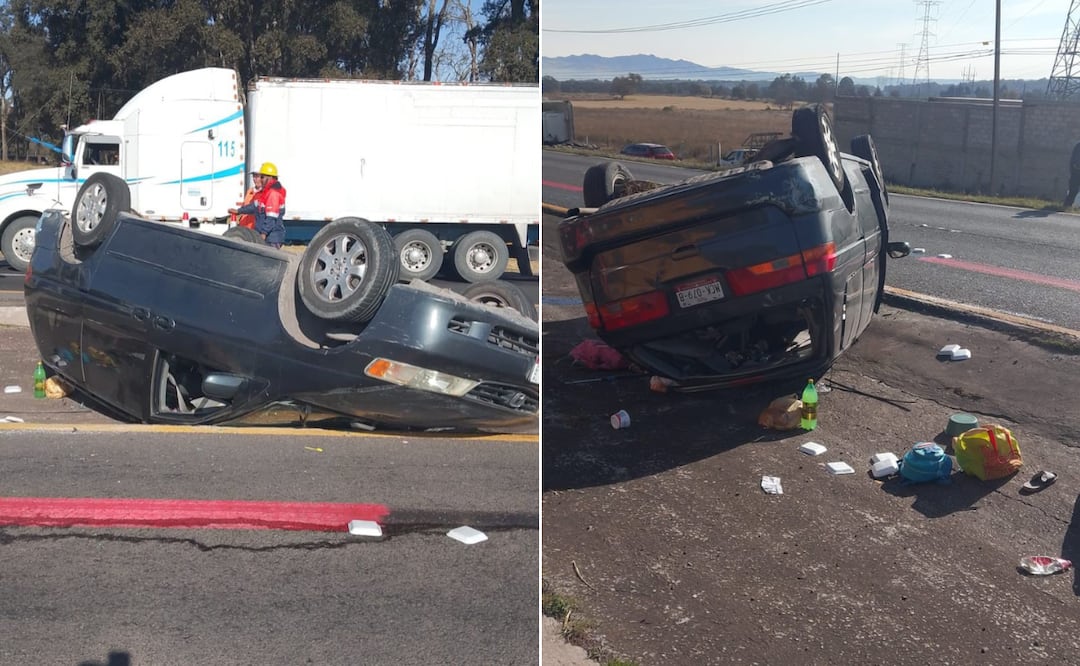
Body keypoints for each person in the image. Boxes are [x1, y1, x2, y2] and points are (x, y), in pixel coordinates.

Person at [228, 162, 286, 247]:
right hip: (267, 236)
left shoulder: (273, 194)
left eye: (262, 177)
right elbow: (254, 206)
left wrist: (263, 233)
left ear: (270, 178)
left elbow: (271, 218)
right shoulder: (266, 193)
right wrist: (239, 211)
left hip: (271, 238)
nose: (260, 179)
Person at [1065, 141, 1080, 208]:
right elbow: (1075, 161)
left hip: (1075, 172)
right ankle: (1067, 206)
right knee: (1073, 191)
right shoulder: (1078, 146)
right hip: (1076, 173)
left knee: (1073, 191)